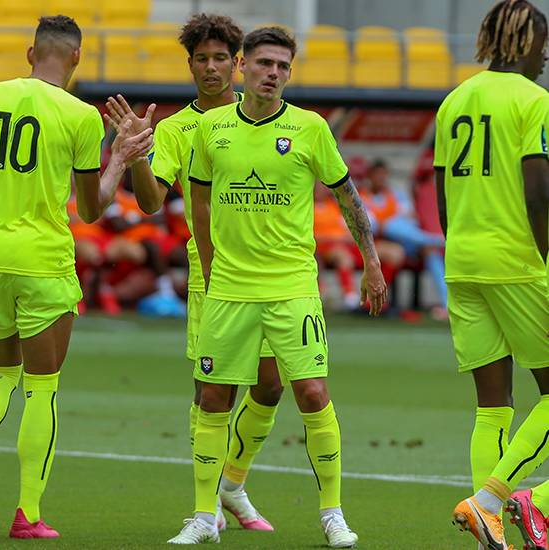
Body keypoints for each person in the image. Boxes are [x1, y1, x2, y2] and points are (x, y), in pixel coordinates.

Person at [0, 15, 153, 539]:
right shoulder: (82, 117)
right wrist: (120, 160)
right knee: (42, 388)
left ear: (29, 54)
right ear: (77, 60)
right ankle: (28, 515)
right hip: (44, 263)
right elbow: (91, 209)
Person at [171, 26, 388, 546]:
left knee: (312, 393)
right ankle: (204, 517)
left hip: (293, 288)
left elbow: (347, 196)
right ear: (243, 66)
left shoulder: (311, 128)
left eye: (283, 66)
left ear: (290, 73)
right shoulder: (212, 128)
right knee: (214, 397)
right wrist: (210, 260)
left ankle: (333, 514)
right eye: (265, 63)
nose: (273, 73)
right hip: (229, 289)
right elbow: (198, 199)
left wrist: (372, 263)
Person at [105, 13, 279, 534]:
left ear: (238, 63)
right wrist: (138, 152)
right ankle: (207, 508)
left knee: (270, 387)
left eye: (220, 58)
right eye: (201, 59)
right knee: (209, 394)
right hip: (213, 277)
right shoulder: (178, 129)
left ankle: (233, 483)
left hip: (274, 276)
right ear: (190, 65)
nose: (211, 67)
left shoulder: (273, 117)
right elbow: (152, 201)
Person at [439, 2, 549, 549]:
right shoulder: (534, 101)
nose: (546, 54)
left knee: (493, 404)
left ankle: (491, 530)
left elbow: (441, 198)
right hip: (518, 261)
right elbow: (538, 191)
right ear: (524, 41)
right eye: (542, 42)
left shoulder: (455, 99)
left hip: (461, 262)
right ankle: (494, 501)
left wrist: (460, 250)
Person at [360, 159, 446, 315]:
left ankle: (448, 305)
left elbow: (410, 218)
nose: (380, 179)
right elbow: (370, 225)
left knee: (431, 253)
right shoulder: (362, 197)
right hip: (379, 242)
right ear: (370, 177)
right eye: (377, 175)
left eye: (383, 175)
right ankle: (439, 240)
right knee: (390, 225)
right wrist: (386, 222)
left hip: (406, 241)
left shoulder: (396, 195)